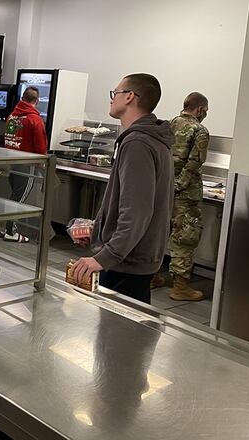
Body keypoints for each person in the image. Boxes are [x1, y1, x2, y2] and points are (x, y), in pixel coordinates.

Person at [71, 73, 174, 304]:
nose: (111, 98)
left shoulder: (137, 142)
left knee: (118, 325)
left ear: (129, 97)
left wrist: (105, 257)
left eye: (115, 93)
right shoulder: (151, 139)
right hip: (133, 258)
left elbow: (137, 211)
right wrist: (99, 231)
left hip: (126, 262)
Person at [164, 92, 210, 301]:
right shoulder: (200, 130)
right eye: (205, 111)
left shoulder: (169, 124)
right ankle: (180, 287)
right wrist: (180, 184)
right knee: (185, 237)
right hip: (186, 193)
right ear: (199, 109)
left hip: (163, 189)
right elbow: (195, 161)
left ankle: (150, 277)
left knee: (159, 232)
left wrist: (168, 184)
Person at [2, 86, 47, 243]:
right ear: (37, 101)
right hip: (26, 164)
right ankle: (10, 231)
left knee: (14, 195)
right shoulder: (35, 119)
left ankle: (7, 228)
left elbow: (8, 138)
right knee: (19, 199)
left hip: (11, 161)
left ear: (22, 98)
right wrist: (42, 160)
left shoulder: (12, 116)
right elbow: (40, 144)